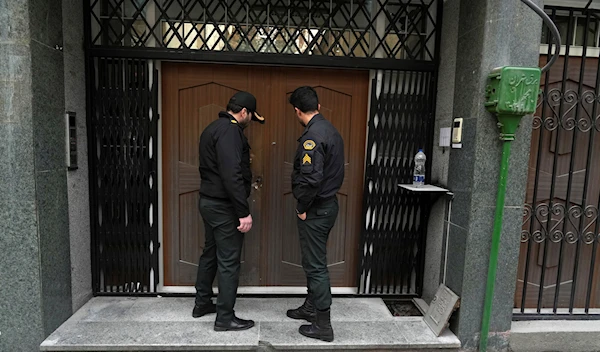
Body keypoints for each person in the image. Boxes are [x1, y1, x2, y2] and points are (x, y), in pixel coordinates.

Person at [193, 91, 265, 331]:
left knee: (211, 253)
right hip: (224, 208)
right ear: (244, 112)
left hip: (209, 203)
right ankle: (225, 317)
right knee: (229, 262)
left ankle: (202, 303)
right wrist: (243, 212)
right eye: (252, 117)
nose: (251, 122)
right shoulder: (231, 131)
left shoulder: (213, 128)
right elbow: (231, 174)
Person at [286, 86, 344, 342]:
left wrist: (301, 208)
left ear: (297, 111)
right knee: (313, 261)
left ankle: (323, 325)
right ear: (318, 107)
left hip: (316, 210)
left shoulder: (313, 137)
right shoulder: (329, 129)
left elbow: (311, 180)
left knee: (316, 265)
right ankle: (311, 307)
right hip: (326, 206)